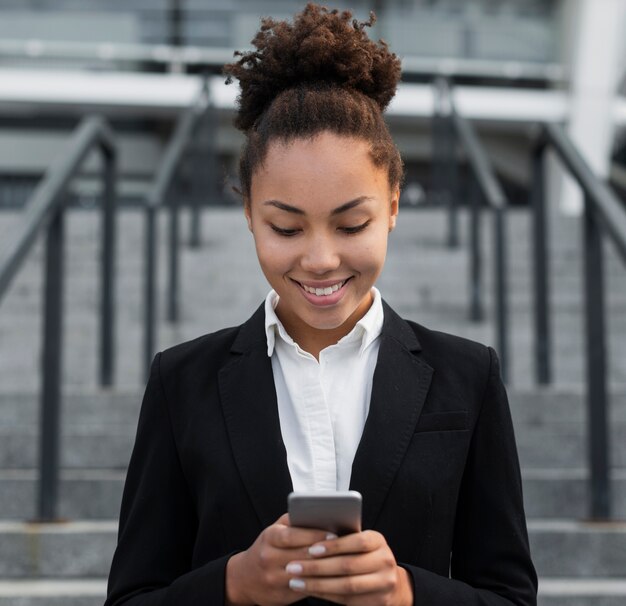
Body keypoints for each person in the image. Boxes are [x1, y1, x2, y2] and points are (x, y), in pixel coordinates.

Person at [105, 4, 537, 605]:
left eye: (351, 223)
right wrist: (233, 584)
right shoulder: (182, 383)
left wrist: (407, 594)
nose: (320, 260)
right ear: (249, 214)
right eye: (286, 228)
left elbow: (512, 596)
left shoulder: (468, 377)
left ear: (391, 205)